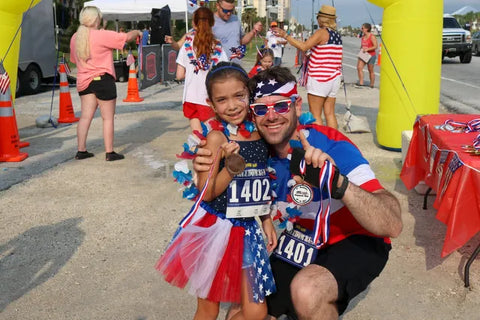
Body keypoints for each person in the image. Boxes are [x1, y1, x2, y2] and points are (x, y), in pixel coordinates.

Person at [194, 66, 403, 320]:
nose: (271, 116)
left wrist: (341, 185)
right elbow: (212, 188)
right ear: (253, 115)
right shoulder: (255, 151)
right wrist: (206, 164)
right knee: (239, 314)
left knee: (306, 290)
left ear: (297, 106)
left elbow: (391, 223)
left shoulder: (329, 144)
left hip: (353, 237)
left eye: (281, 106)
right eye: (261, 109)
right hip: (302, 239)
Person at [156, 62, 277, 320]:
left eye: (239, 96)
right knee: (208, 308)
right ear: (211, 105)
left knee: (257, 311)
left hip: (247, 230)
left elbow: (262, 181)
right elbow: (206, 192)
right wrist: (230, 168)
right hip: (216, 228)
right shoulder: (217, 138)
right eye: (222, 100)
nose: (232, 106)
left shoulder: (259, 133)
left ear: (249, 95)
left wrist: (266, 220)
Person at [70, 6, 143, 161]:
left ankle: (81, 150)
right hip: (103, 80)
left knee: (85, 117)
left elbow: (73, 60)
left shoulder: (75, 37)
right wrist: (137, 32)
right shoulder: (102, 35)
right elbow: (126, 37)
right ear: (97, 19)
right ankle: (109, 152)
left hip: (84, 82)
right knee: (107, 118)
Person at [273, 5, 342, 129]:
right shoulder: (337, 36)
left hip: (320, 78)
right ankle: (333, 142)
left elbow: (304, 46)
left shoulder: (321, 33)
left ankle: (319, 144)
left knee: (315, 114)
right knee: (330, 113)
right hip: (334, 77)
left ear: (321, 19)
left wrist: (286, 36)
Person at [174, 7, 229, 133]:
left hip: (190, 97)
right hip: (209, 98)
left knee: (198, 136)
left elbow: (179, 75)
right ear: (212, 23)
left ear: (194, 23)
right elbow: (225, 72)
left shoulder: (187, 45)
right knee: (213, 135)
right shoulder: (217, 45)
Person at [355, 23, 378, 88]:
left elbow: (375, 46)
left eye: (362, 28)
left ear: (367, 29)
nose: (361, 29)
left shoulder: (372, 36)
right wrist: (361, 50)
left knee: (370, 70)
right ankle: (361, 82)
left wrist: (368, 49)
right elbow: (362, 45)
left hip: (371, 55)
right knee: (359, 67)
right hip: (363, 54)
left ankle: (372, 84)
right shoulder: (363, 37)